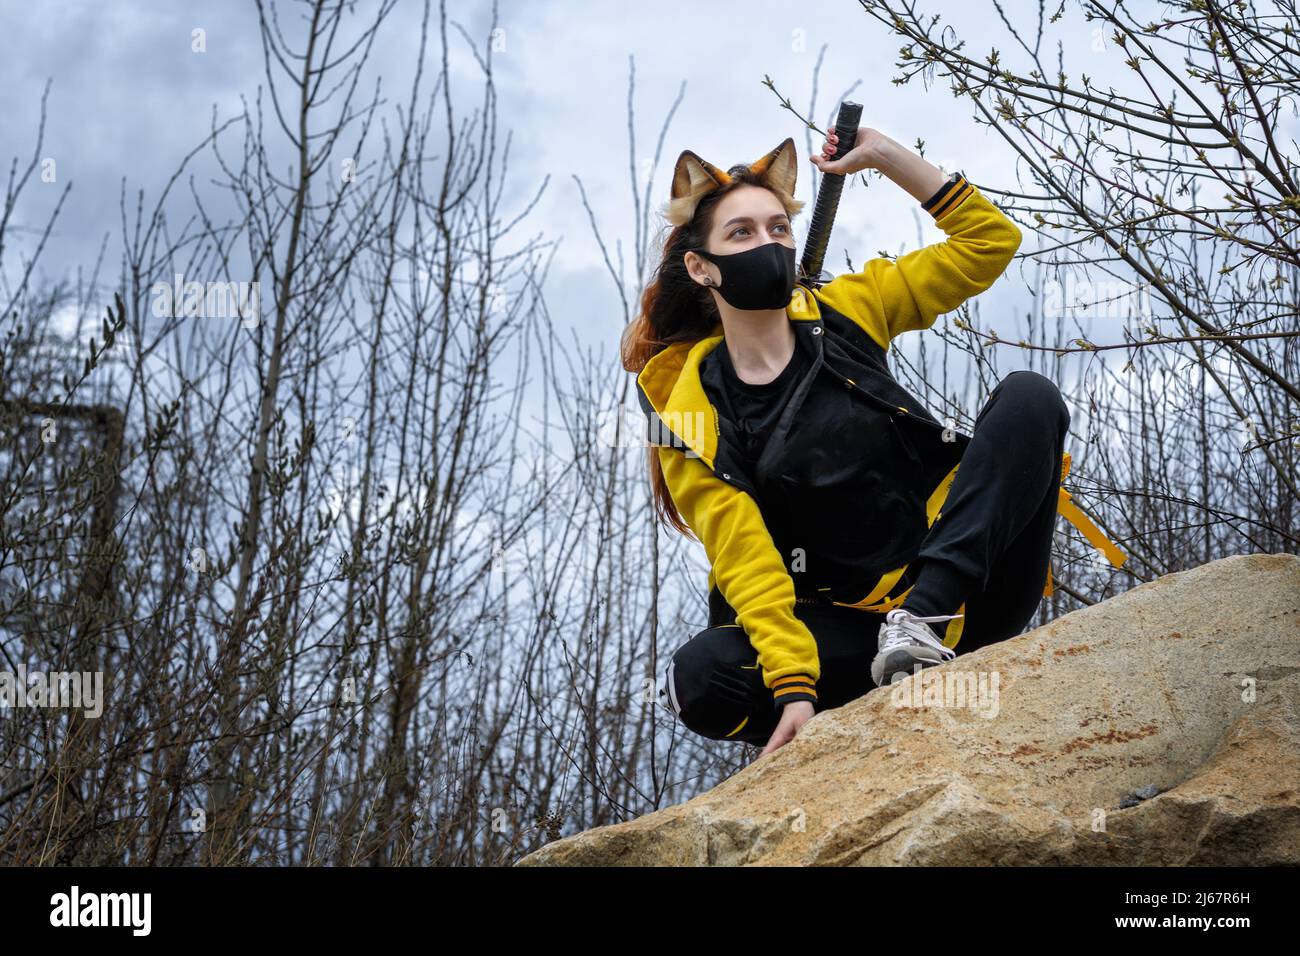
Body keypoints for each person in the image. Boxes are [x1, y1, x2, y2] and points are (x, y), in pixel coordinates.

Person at [621, 128, 1126, 757]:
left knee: (1030, 396)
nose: (768, 244)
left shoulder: (848, 310)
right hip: (848, 634)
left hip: (968, 595)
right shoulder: (683, 406)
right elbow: (742, 557)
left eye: (779, 229)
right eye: (741, 233)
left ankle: (924, 626)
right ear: (700, 268)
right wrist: (794, 684)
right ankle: (875, 692)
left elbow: (988, 243)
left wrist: (883, 156)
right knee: (699, 676)